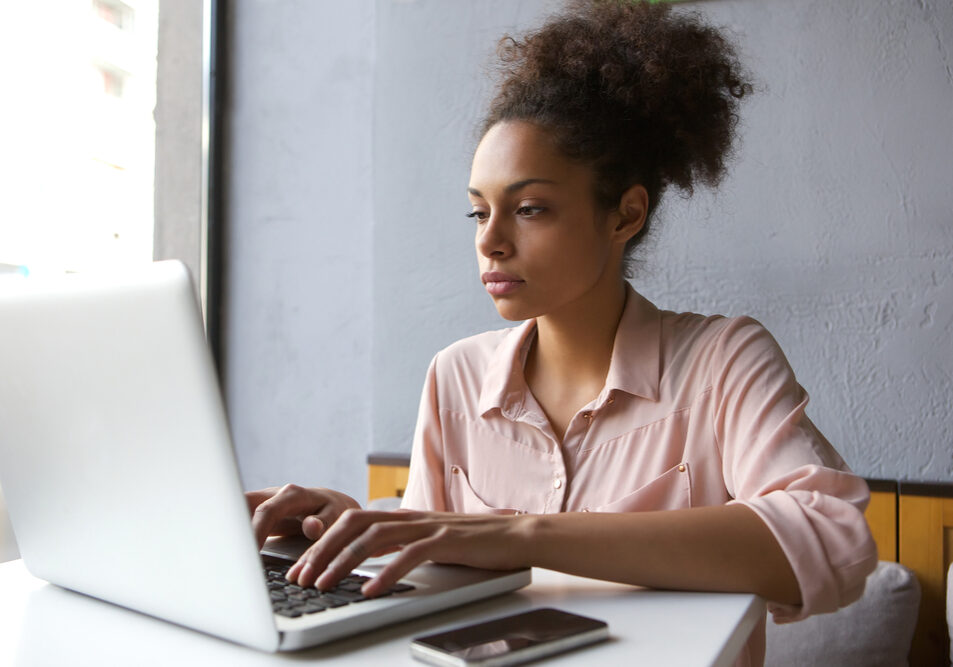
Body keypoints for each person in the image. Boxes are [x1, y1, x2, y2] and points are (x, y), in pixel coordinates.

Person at [246, 2, 877, 665]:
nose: (489, 241)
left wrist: (524, 534)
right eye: (477, 210)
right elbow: (431, 573)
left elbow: (832, 542)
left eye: (529, 209)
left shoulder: (721, 360)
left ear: (625, 214)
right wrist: (346, 524)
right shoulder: (455, 375)